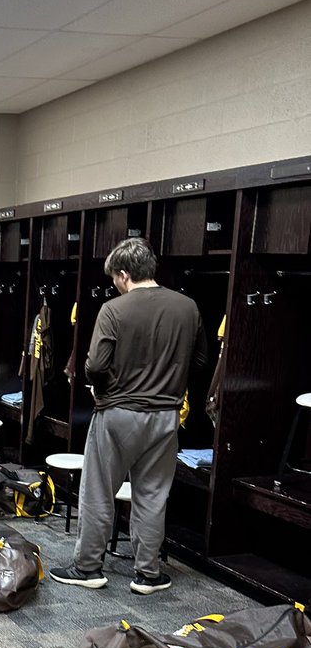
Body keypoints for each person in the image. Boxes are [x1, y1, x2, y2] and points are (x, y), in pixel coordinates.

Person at [50, 237, 208, 594]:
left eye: (114, 279)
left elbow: (94, 366)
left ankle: (88, 567)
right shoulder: (188, 307)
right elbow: (199, 362)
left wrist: (106, 384)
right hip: (166, 416)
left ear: (124, 274)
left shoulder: (114, 309)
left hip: (118, 414)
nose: (114, 286)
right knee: (152, 495)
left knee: (98, 492)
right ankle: (148, 575)